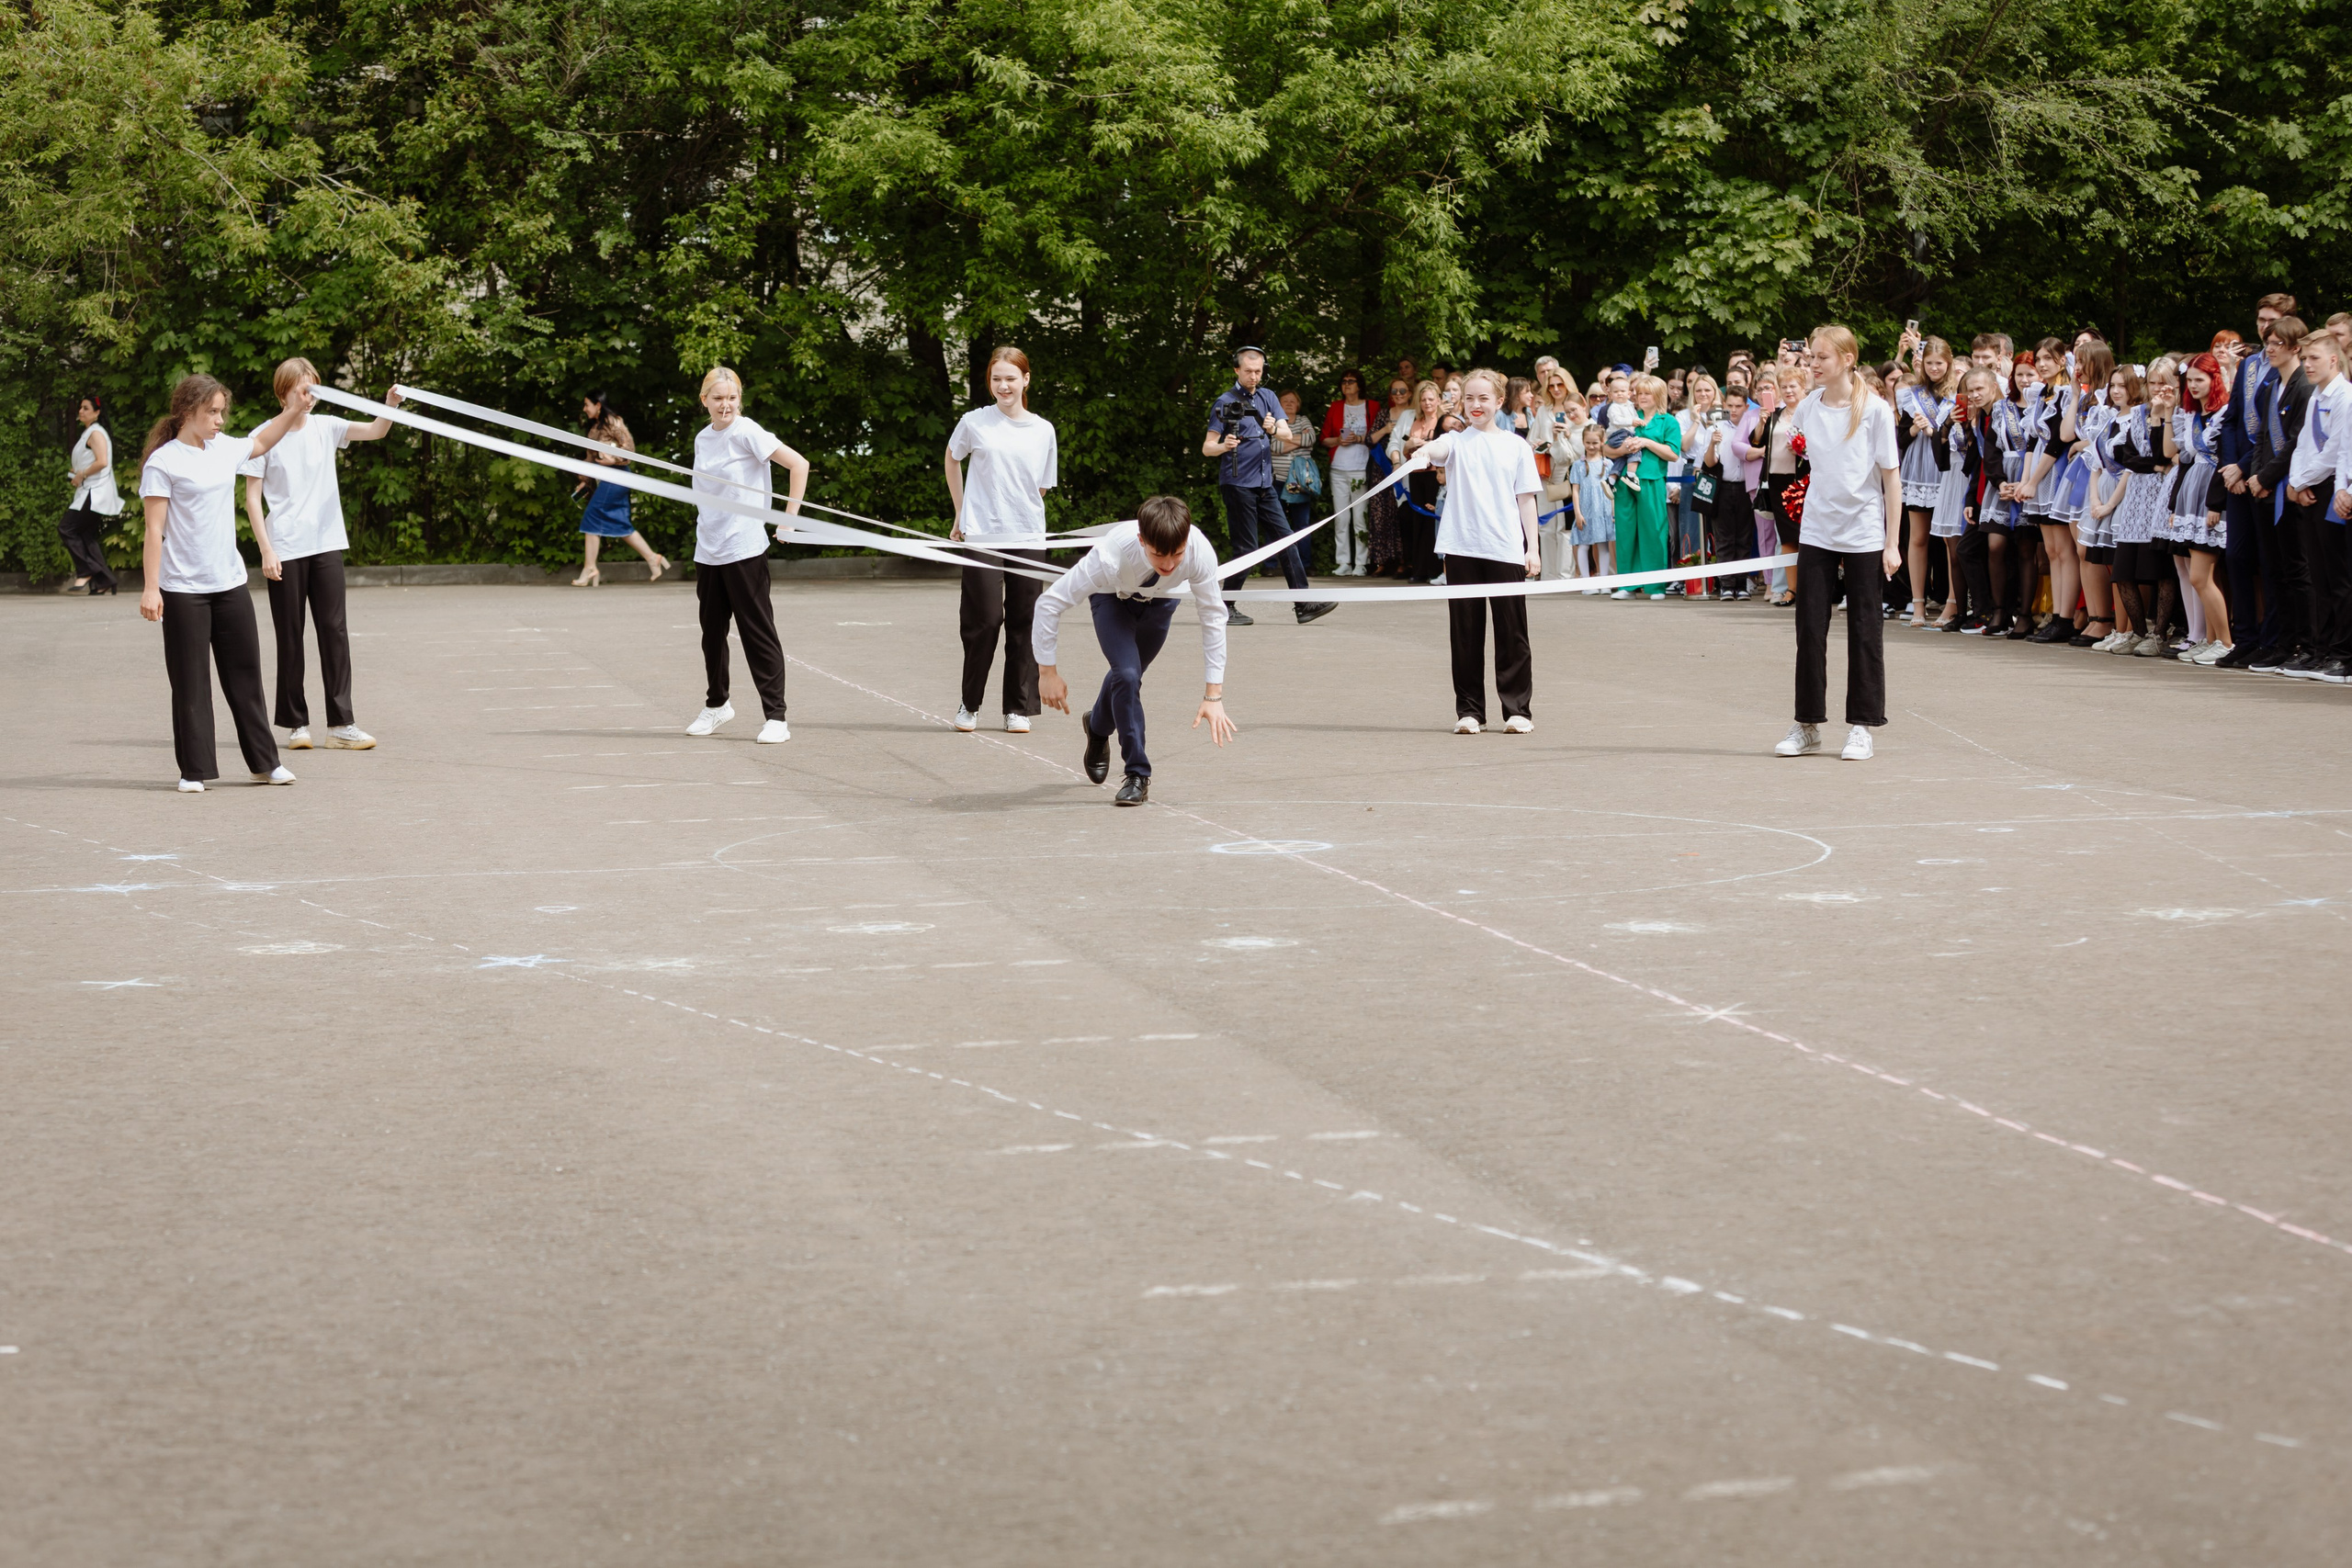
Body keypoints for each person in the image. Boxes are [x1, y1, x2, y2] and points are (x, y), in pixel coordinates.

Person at [136, 374, 316, 793]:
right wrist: (151, 587)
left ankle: (264, 764)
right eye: (211, 412)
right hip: (182, 589)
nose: (219, 420)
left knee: (245, 678)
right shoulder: (164, 462)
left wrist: (293, 408)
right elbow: (153, 530)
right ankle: (193, 770)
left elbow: (263, 441)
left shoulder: (224, 449)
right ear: (186, 412)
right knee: (191, 683)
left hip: (229, 583)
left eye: (222, 412)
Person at [237, 357, 401, 751]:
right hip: (286, 547)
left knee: (334, 632)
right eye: (302, 388)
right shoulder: (262, 436)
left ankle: (342, 723)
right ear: (284, 391)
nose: (310, 395)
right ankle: (296, 724)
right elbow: (252, 498)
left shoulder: (327, 426)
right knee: (290, 635)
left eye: (314, 387)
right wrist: (266, 550)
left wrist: (390, 405)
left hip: (327, 543)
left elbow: (377, 431)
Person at [1034, 494, 1235, 807]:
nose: (1168, 564)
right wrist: (1047, 671)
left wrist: (1214, 695)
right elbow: (1049, 603)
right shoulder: (1109, 556)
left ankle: (1097, 726)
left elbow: (1213, 616)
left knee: (1127, 674)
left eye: (1177, 555)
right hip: (1112, 598)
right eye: (1158, 556)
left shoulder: (1200, 553)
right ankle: (1137, 773)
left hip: (1162, 602)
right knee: (1127, 675)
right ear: (1142, 540)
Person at [1775, 325, 1901, 763]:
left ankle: (1862, 726)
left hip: (1864, 530)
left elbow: (1890, 477)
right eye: (1810, 357)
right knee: (1810, 627)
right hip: (1817, 530)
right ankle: (1806, 724)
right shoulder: (1809, 407)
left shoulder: (1875, 411)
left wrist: (1892, 542)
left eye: (1821, 358)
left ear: (1847, 359)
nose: (1812, 365)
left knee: (1866, 629)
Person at [1392, 368, 1542, 734]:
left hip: (1505, 549)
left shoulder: (1516, 446)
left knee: (1512, 631)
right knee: (1465, 632)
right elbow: (1438, 449)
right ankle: (1470, 711)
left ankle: (1517, 711)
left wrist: (1532, 550)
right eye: (1469, 399)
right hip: (1461, 549)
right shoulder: (1456, 441)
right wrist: (1424, 448)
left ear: (1499, 402)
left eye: (1484, 398)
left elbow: (1526, 502)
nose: (1476, 405)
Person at [685, 366, 807, 744]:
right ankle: (718, 704)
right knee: (712, 635)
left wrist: (787, 521)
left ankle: (776, 716)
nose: (726, 406)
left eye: (732, 398)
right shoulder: (703, 438)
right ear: (704, 400)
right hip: (709, 548)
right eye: (718, 398)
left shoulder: (747, 431)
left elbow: (798, 464)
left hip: (744, 547)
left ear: (741, 399)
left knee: (757, 632)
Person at [944, 345, 1057, 733]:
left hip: (1027, 534)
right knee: (986, 619)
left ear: (1026, 380)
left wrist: (1018, 513)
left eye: (1011, 378)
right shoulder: (975, 422)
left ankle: (1018, 708)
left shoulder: (1043, 429)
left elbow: (1040, 486)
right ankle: (969, 703)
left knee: (1025, 620)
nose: (1003, 386)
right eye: (997, 379)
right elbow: (952, 458)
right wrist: (962, 511)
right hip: (982, 535)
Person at [1204, 347, 1333, 626]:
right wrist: (1223, 446)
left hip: (1265, 484)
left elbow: (1287, 433)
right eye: (1248, 371)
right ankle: (1224, 607)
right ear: (1236, 370)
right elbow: (1206, 447)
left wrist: (1273, 429)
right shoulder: (1224, 402)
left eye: (1258, 371)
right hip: (1237, 484)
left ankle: (1303, 604)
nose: (1253, 376)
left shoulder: (1268, 396)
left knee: (1287, 540)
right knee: (1247, 548)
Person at [2281, 329, 2352, 682]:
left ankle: (2343, 655)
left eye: (2314, 359)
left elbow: (2336, 450)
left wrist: (2303, 480)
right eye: (2305, 359)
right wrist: (2295, 482)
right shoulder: (2315, 397)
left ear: (2333, 360)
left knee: (2339, 577)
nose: (2307, 365)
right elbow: (2304, 444)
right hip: (2309, 488)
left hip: (2330, 490)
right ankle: (2322, 650)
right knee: (2318, 575)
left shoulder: (2345, 397)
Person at [2245, 317, 2314, 674]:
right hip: (2266, 488)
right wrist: (2257, 476)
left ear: (2295, 347)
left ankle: (2306, 643)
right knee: (2273, 571)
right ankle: (2284, 644)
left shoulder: (2304, 387)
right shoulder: (2272, 386)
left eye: (2277, 344)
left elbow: (2295, 440)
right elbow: (2261, 438)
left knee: (2296, 570)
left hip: (2290, 487)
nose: (2270, 349)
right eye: (2268, 343)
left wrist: (2268, 476)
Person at [2162, 352, 2232, 663]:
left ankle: (2226, 642)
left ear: (2214, 380)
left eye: (2199, 380)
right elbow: (2185, 464)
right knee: (2203, 575)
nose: (2193, 386)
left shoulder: (2224, 414)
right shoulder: (2191, 417)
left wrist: (2216, 503)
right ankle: (2212, 638)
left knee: (2201, 576)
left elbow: (2224, 460)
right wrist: (2176, 504)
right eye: (2189, 381)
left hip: (2212, 496)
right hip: (2192, 494)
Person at [572, 391, 670, 587]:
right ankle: (653, 558)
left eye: (587, 405)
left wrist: (613, 459)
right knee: (619, 522)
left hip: (617, 477)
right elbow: (592, 459)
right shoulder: (595, 428)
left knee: (591, 517)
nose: (584, 409)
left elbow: (629, 448)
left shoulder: (613, 422)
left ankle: (590, 568)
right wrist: (585, 480)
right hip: (608, 479)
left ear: (598, 405)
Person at [1615, 374, 1681, 600]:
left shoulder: (1668, 421)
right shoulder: (1629, 416)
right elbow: (1608, 448)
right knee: (1625, 533)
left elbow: (1673, 454)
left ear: (1658, 395)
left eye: (1647, 393)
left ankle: (1655, 586)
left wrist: (1646, 442)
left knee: (1653, 531)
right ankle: (1627, 586)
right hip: (1626, 479)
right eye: (1639, 393)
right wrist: (1625, 446)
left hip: (1652, 480)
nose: (1641, 397)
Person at [1396, 379, 1457, 583]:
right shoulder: (1415, 422)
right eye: (1423, 399)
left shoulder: (1444, 421)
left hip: (1436, 476)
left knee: (1435, 521)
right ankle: (1419, 569)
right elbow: (1407, 453)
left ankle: (1436, 569)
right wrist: (1409, 445)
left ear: (1439, 400)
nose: (1427, 403)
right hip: (1416, 474)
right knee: (1419, 522)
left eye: (1431, 399)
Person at [60, 392, 121, 594]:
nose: (80, 411)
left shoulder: (95, 433)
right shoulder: (90, 432)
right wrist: (77, 474)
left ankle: (86, 571)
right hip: (90, 490)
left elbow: (102, 461)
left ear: (97, 413)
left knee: (66, 528)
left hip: (95, 491)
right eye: (80, 407)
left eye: (86, 408)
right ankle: (104, 580)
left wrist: (81, 475)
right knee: (85, 534)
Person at [1320, 369, 1377, 575]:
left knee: (1360, 518)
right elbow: (1324, 438)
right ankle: (1343, 562)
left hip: (1361, 468)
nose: (1346, 384)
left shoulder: (1372, 406)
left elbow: (1378, 436)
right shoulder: (1336, 407)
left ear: (1359, 385)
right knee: (1341, 518)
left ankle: (1362, 563)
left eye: (1351, 381)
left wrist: (1359, 439)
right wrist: (1338, 440)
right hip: (1338, 469)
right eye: (1343, 381)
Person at [1365, 376, 1412, 576]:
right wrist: (1385, 429)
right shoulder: (1384, 414)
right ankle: (1382, 561)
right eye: (1395, 391)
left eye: (1402, 391)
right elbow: (1369, 439)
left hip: (1406, 467)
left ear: (1410, 393)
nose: (1399, 395)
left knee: (1402, 514)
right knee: (1381, 514)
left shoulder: (1413, 414)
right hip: (1382, 470)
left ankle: (1405, 561)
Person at [1568, 423, 1617, 587]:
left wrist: (1613, 511)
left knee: (1603, 544)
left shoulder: (1608, 465)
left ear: (1602, 441)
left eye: (1595, 442)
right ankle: (1586, 582)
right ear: (1583, 442)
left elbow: (1612, 491)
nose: (1591, 446)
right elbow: (1575, 490)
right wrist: (1578, 513)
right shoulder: (1578, 465)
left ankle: (1603, 581)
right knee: (1583, 544)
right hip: (1586, 510)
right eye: (1588, 442)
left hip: (1603, 510)